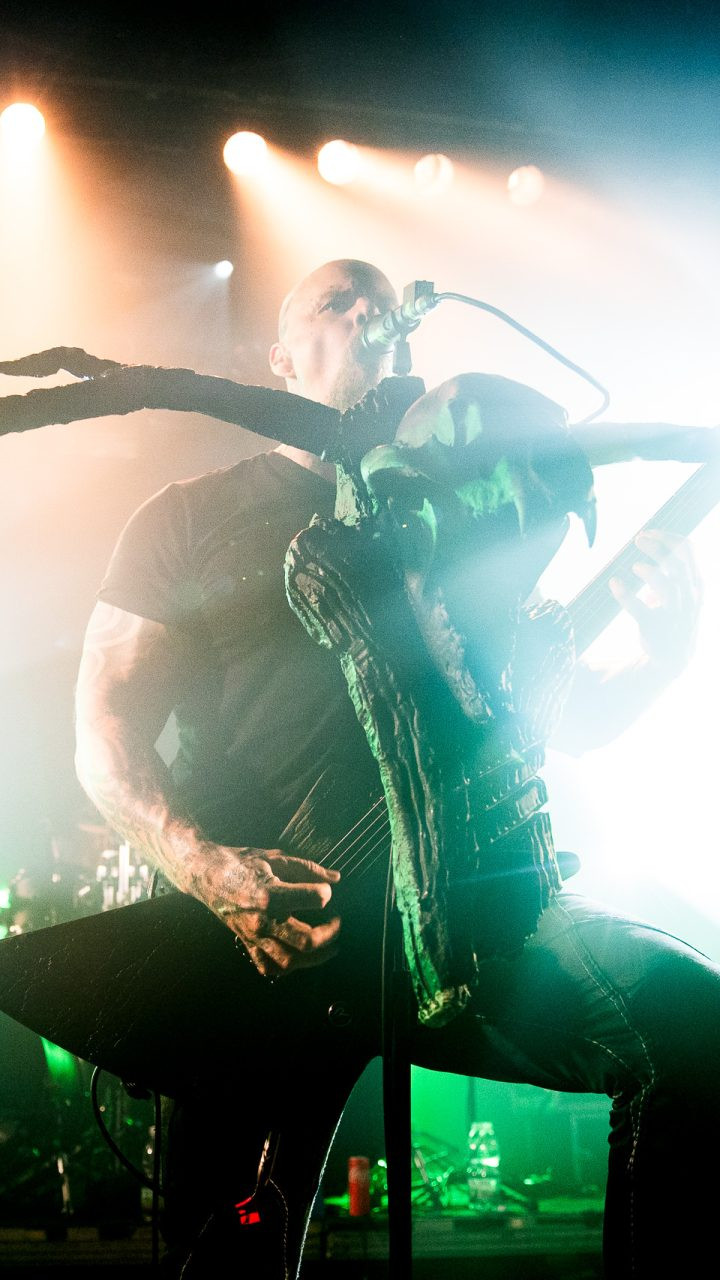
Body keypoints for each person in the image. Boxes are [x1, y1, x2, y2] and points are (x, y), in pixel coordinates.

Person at [73, 258, 718, 1279]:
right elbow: (102, 729)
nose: (373, 312)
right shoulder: (190, 515)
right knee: (228, 1250)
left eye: (383, 305)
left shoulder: (460, 514)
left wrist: (660, 659)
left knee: (695, 1032)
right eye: (339, 300)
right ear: (281, 358)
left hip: (461, 921)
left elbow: (550, 713)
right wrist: (208, 870)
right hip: (268, 936)